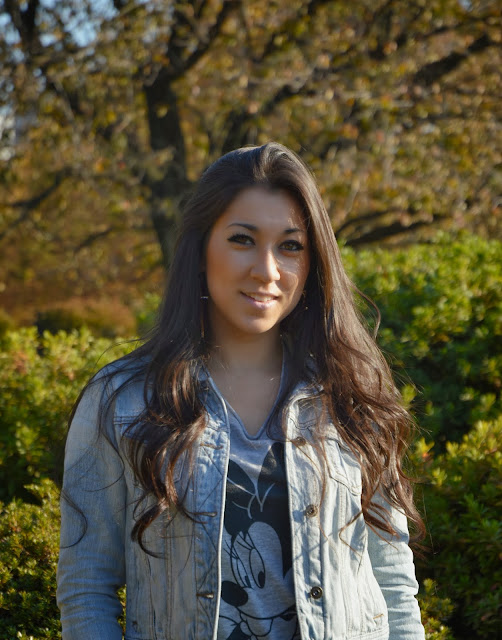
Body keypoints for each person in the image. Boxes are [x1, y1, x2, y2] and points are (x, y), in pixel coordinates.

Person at [57, 142, 426, 640]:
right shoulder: (121, 400)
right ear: (200, 248)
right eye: (242, 240)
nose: (267, 270)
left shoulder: (352, 395)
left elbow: (393, 583)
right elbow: (87, 586)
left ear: (313, 263)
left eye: (290, 246)